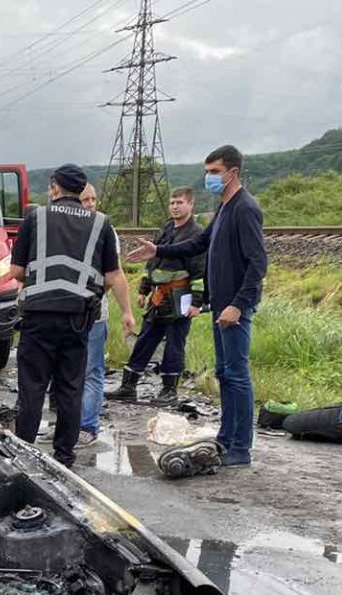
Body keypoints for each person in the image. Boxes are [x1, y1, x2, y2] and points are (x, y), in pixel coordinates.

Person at [129, 145, 267, 466]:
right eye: (207, 172)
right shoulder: (224, 207)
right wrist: (158, 250)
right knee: (225, 373)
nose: (209, 178)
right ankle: (226, 438)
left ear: (232, 172)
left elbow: (258, 262)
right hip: (221, 306)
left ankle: (240, 448)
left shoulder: (245, 208)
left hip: (234, 308)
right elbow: (199, 243)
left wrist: (238, 304)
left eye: (215, 172)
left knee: (237, 375)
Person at [8, 164, 135, 467]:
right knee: (70, 387)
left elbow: (16, 271)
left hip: (38, 315)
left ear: (54, 187)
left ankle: (23, 453)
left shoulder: (35, 218)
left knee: (32, 387)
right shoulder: (101, 223)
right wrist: (112, 304)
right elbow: (112, 275)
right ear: (81, 191)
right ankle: (64, 455)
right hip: (77, 317)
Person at [112, 186, 206, 405]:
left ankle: (169, 391)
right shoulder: (166, 228)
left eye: (180, 202)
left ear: (191, 204)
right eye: (172, 203)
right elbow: (153, 261)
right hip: (158, 297)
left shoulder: (196, 234)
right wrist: (143, 290)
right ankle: (128, 387)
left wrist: (196, 303)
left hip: (180, 297)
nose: (175, 207)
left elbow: (199, 271)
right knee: (145, 339)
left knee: (174, 343)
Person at [76, 182, 110, 444]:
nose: (89, 204)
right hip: (69, 312)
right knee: (69, 371)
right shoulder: (69, 229)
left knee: (91, 371)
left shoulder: (104, 228)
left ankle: (87, 426)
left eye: (93, 199)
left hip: (95, 314)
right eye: (84, 200)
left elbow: (112, 274)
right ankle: (68, 424)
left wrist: (92, 296)